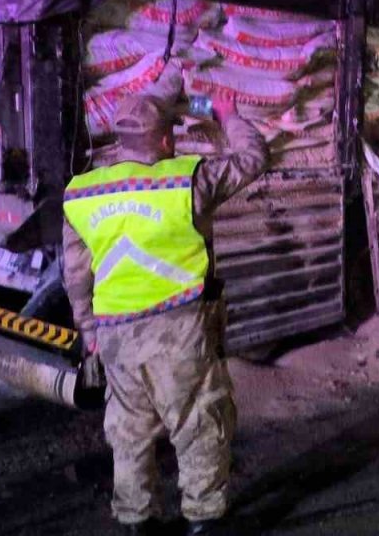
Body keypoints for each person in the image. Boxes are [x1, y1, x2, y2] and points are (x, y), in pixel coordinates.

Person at [62, 95, 267, 535]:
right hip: (179, 329)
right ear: (163, 138)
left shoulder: (83, 193)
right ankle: (203, 519)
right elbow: (252, 158)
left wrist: (88, 328)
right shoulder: (185, 183)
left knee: (130, 432)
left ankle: (138, 523)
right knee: (198, 422)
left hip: (116, 334)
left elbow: (76, 273)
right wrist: (228, 115)